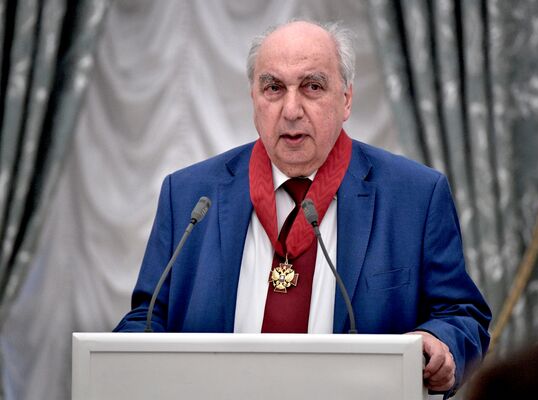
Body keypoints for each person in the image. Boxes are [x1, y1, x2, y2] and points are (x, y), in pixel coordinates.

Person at [114, 20, 491, 397]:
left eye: (312, 87)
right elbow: (146, 321)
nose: (291, 109)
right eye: (274, 88)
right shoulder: (190, 195)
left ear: (345, 99)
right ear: (254, 99)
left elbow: (461, 315)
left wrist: (438, 342)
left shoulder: (415, 195)